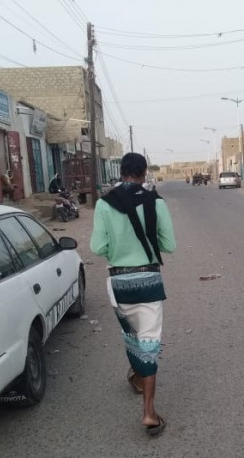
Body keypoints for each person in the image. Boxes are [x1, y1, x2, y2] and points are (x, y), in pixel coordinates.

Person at [90, 152, 176, 436]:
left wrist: (118, 248)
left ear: (122, 172)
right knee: (149, 343)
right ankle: (149, 412)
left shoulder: (104, 204)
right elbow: (169, 245)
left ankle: (139, 377)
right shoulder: (156, 202)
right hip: (149, 281)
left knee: (131, 336)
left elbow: (97, 247)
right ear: (144, 173)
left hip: (119, 282)